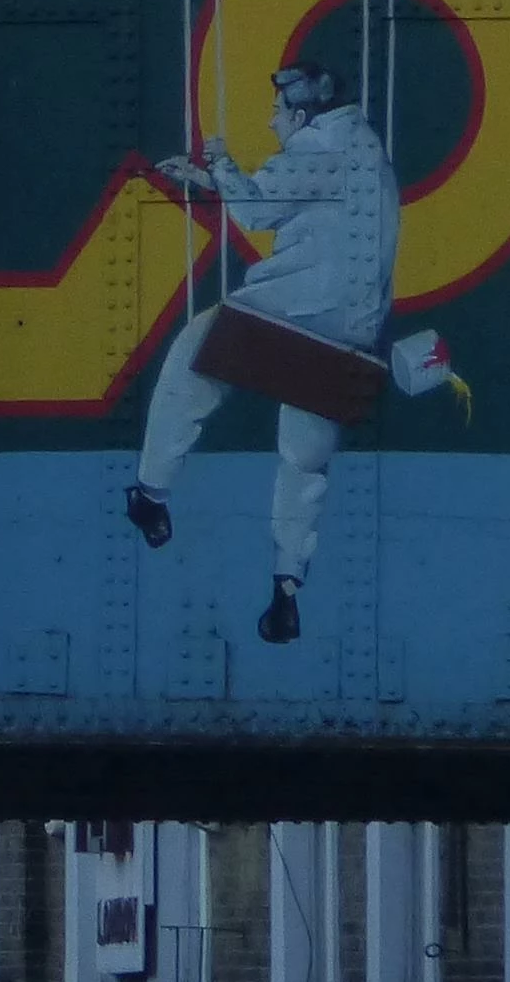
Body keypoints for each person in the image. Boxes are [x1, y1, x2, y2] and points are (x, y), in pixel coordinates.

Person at [127, 61, 396, 646]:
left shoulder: (318, 145)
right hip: (351, 335)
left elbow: (257, 211)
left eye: (278, 115)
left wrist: (221, 162)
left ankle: (149, 492)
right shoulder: (366, 147)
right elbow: (303, 203)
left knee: (191, 358)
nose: (273, 126)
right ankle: (287, 590)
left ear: (301, 113)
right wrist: (206, 180)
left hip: (292, 313)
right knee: (305, 463)